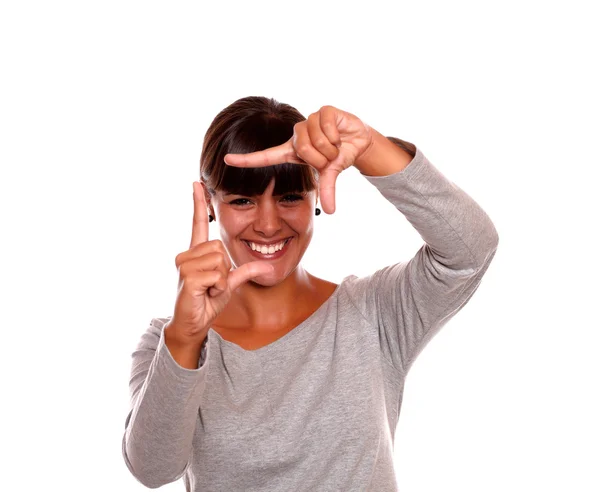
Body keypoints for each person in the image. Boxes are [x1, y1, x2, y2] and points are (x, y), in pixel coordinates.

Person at [122, 96, 499, 491]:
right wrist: (186, 336)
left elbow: (471, 250)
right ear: (210, 203)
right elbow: (152, 468)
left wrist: (370, 147)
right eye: (243, 200)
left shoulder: (373, 313)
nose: (268, 225)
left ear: (315, 194)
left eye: (288, 197)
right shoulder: (168, 342)